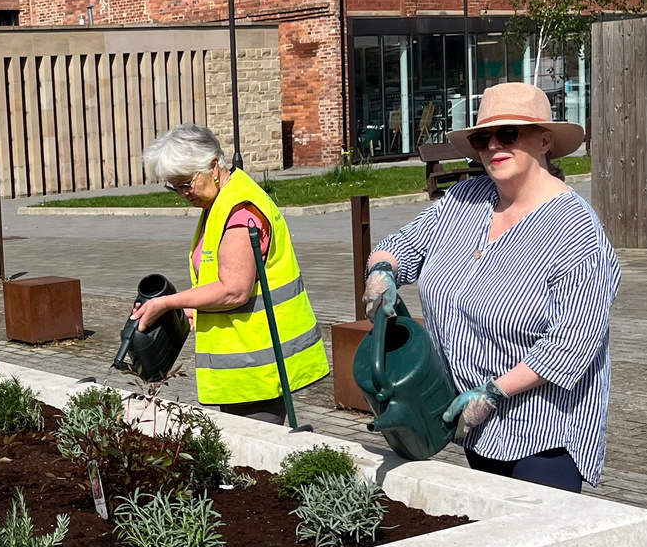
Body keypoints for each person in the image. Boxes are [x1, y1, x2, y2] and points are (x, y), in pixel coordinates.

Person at [363, 81, 620, 493]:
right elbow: (400, 247)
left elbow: (572, 343)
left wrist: (494, 393)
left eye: (510, 133)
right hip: (475, 426)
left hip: (543, 433)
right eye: (483, 138)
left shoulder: (576, 230)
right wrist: (383, 272)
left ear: (544, 140)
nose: (494, 146)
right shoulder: (465, 199)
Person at [131, 124, 327, 424]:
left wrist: (167, 303)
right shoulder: (220, 200)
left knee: (255, 457)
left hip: (256, 363)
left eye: (186, 183)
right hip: (241, 359)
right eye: (174, 187)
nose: (183, 194)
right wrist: (188, 307)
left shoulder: (240, 212)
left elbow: (234, 290)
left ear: (212, 166)